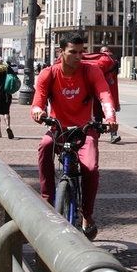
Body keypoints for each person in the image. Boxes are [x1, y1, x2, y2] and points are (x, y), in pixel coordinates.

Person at [30, 33, 117, 241]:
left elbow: (104, 94)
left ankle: (87, 215)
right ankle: (48, 201)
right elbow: (38, 101)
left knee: (91, 168)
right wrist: (37, 112)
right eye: (73, 52)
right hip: (58, 129)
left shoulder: (91, 71)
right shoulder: (48, 74)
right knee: (44, 146)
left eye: (81, 52)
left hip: (85, 131)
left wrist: (110, 117)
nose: (79, 57)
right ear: (61, 53)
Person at [98, 46, 122, 143]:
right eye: (105, 52)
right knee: (108, 114)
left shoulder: (107, 62)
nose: (106, 54)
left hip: (103, 93)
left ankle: (112, 134)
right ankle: (112, 135)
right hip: (106, 93)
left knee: (102, 115)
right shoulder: (113, 61)